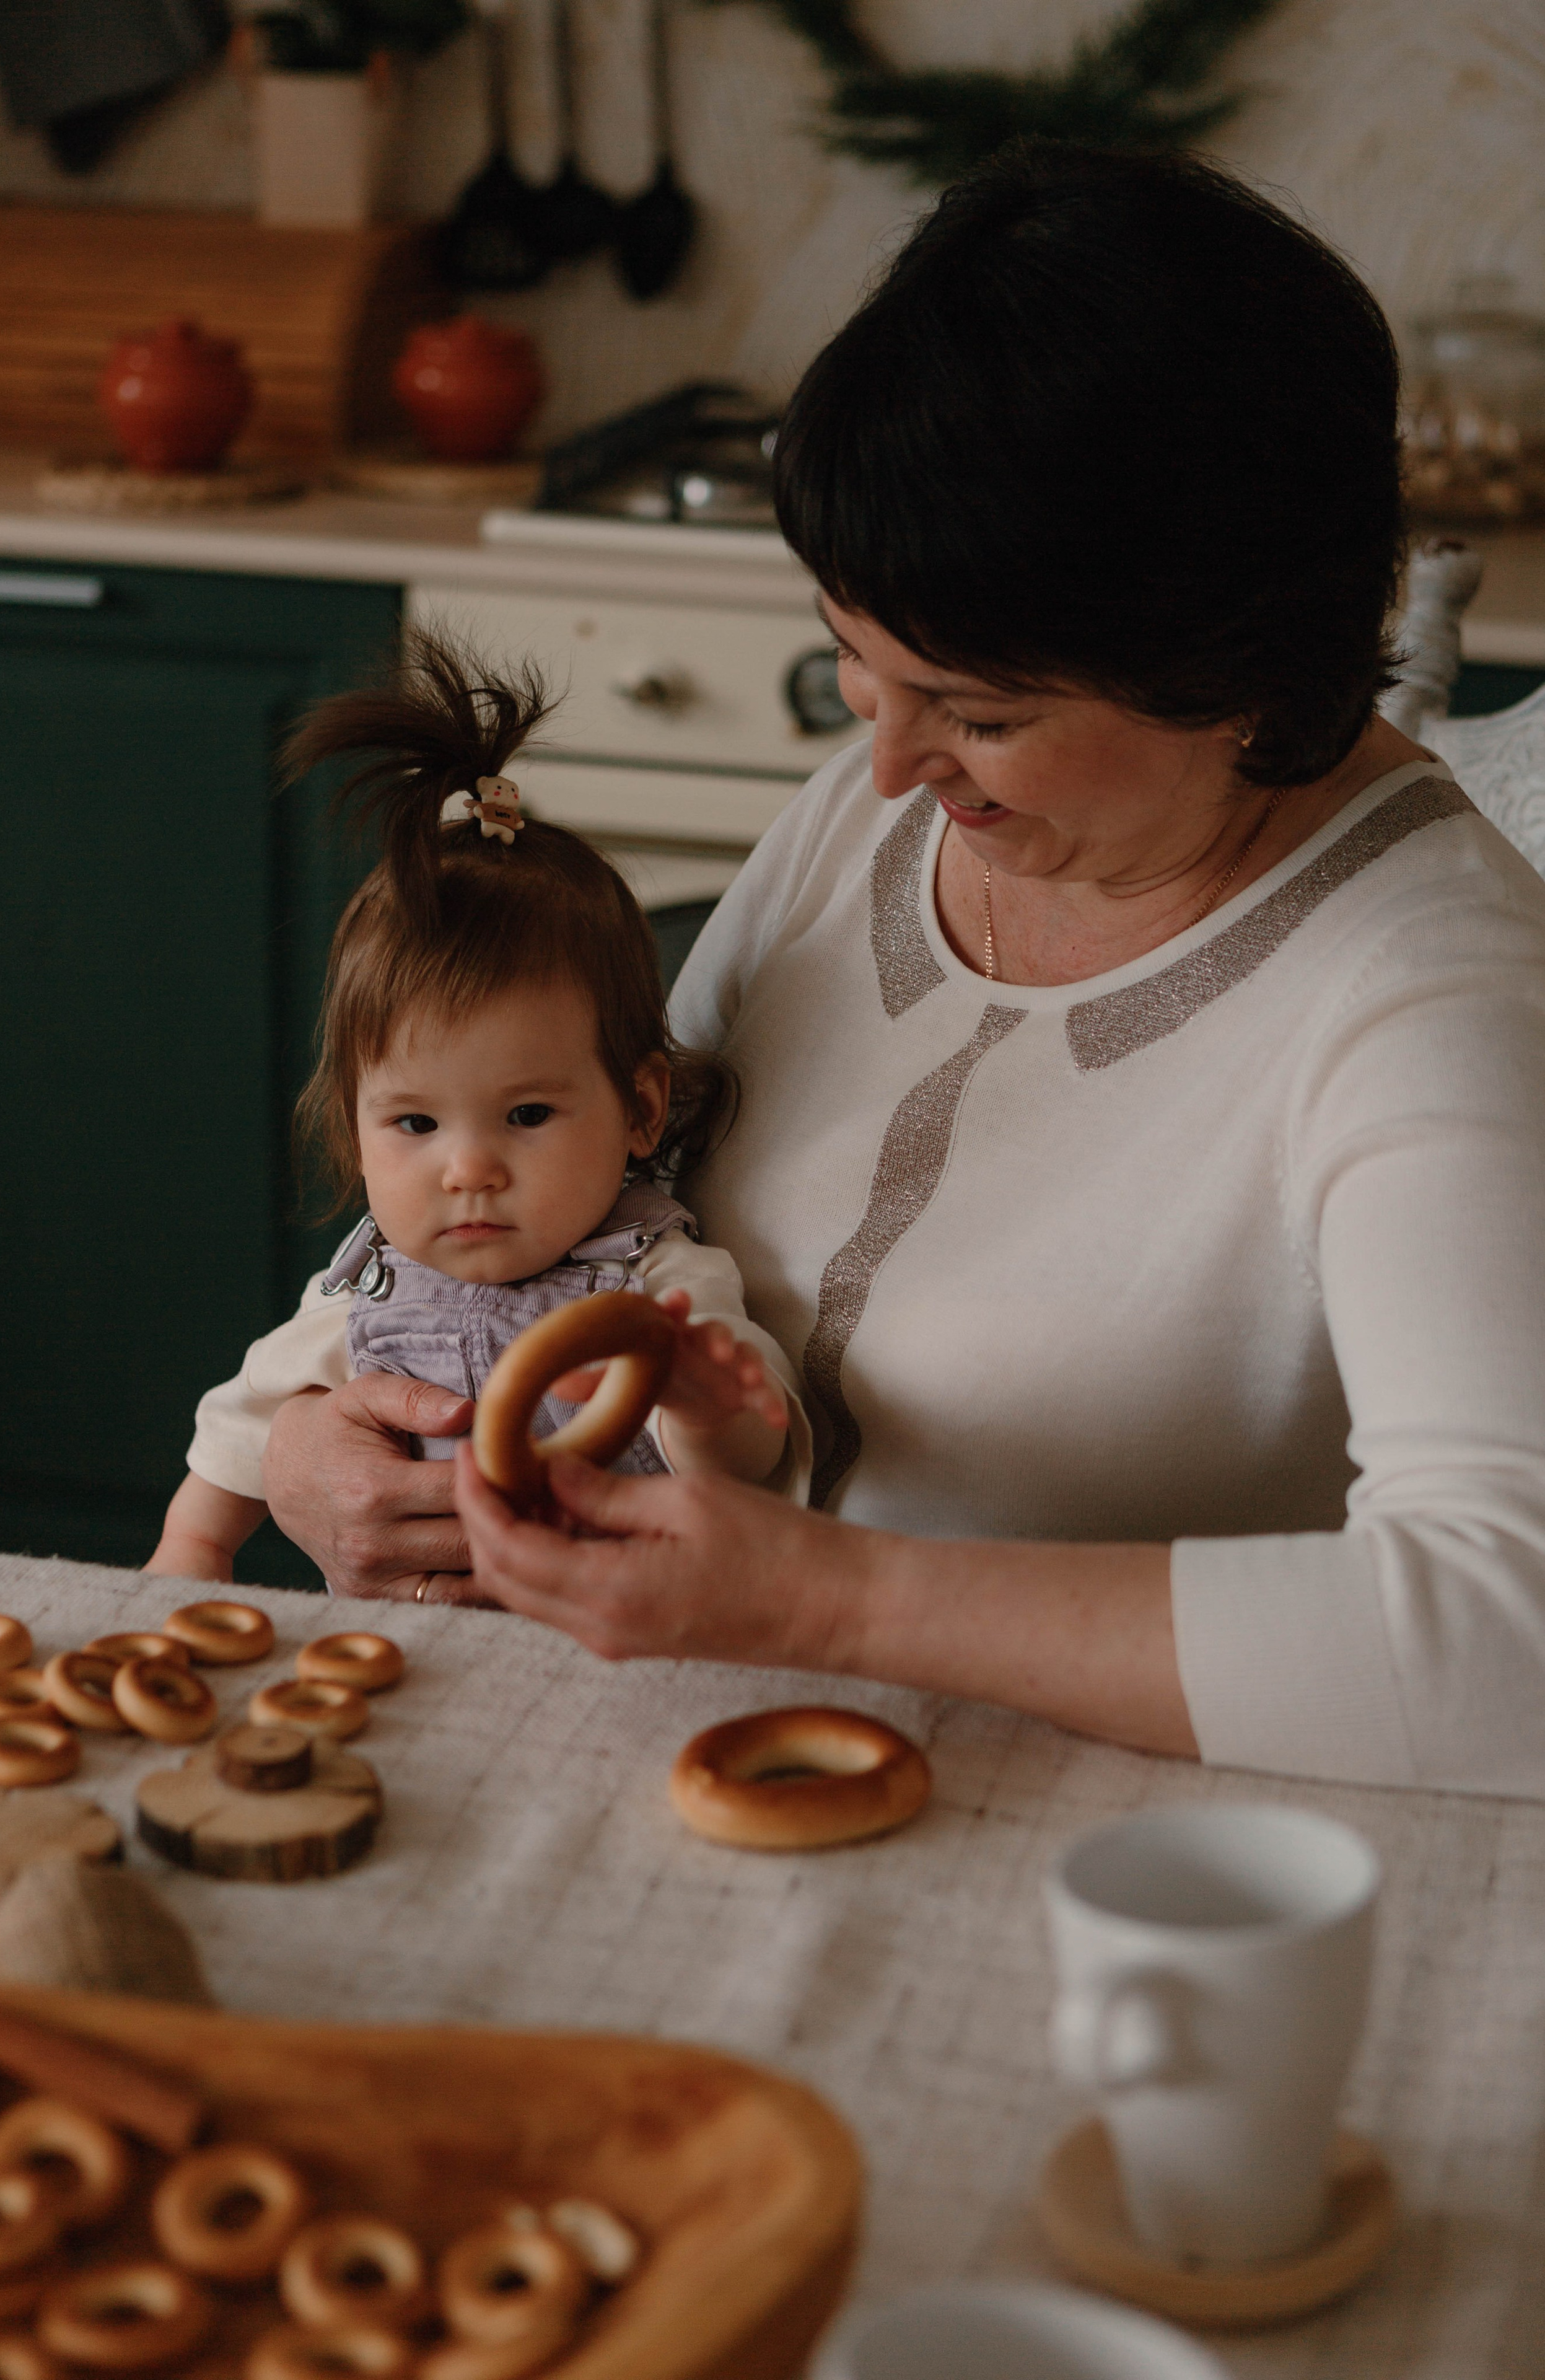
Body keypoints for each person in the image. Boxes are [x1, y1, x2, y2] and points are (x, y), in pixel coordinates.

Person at [261, 144, 1545, 1798]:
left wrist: (828, 1596)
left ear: (1239, 668)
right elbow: (584, 1199)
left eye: (983, 711)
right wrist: (328, 1439)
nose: (886, 776)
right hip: (692, 1768)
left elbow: (1507, 1646)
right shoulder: (881, 825)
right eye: (857, 667)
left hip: (1123, 1856)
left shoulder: (1433, 1000)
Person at [146, 638, 797, 1585]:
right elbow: (237, 1433)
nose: (470, 1169)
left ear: (641, 1108)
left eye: (527, 1113)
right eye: (415, 1124)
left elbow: (753, 1466)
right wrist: (189, 1554)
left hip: (621, 1655)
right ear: (355, 1122)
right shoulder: (361, 1300)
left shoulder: (663, 1292)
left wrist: (705, 1406)